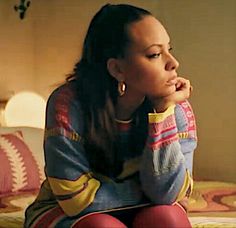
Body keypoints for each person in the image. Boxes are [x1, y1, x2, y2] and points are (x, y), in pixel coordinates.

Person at [24, 3, 197, 228]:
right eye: (155, 54)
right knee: (103, 227)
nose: (173, 64)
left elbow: (168, 195)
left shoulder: (175, 107)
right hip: (68, 213)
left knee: (168, 218)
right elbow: (76, 200)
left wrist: (162, 112)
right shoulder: (68, 104)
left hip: (147, 210)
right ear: (117, 69)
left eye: (169, 50)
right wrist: (146, 194)